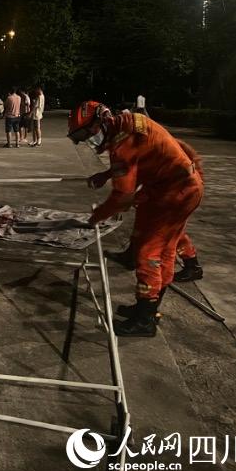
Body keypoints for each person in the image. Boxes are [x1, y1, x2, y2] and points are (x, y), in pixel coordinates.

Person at [68, 101, 204, 337]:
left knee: (149, 254)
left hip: (174, 194)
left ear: (102, 121)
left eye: (86, 133)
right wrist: (106, 174)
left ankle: (144, 320)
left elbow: (122, 196)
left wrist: (96, 217)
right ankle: (147, 309)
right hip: (171, 187)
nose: (87, 140)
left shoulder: (123, 143)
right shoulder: (128, 125)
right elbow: (137, 160)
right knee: (160, 247)